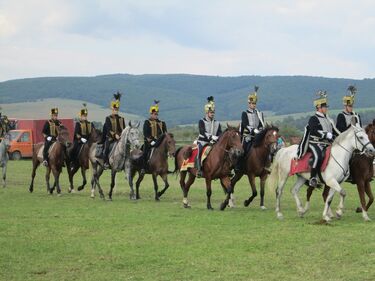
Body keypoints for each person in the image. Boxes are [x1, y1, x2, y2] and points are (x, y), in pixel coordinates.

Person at [297, 91, 339, 188]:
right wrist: (326, 135)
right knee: (318, 156)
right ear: (319, 107)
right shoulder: (313, 118)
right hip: (314, 142)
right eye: (324, 107)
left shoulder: (328, 119)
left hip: (326, 143)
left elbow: (334, 131)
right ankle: (312, 178)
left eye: (326, 107)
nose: (326, 109)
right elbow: (314, 131)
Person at [235, 86, 265, 172]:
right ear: (249, 104)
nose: (253, 105)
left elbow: (261, 124)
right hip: (248, 136)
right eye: (252, 103)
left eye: (255, 104)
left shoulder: (259, 113)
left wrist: (259, 130)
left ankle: (266, 165)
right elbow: (245, 124)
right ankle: (238, 166)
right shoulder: (244, 113)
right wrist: (253, 130)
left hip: (257, 136)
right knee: (243, 150)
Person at [196, 96, 222, 177]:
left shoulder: (217, 123)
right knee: (199, 152)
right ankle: (199, 169)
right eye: (211, 112)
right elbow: (202, 132)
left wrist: (218, 138)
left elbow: (219, 133)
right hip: (203, 141)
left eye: (213, 112)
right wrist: (211, 137)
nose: (212, 114)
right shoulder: (201, 121)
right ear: (207, 113)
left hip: (214, 142)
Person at [141, 100, 167, 174]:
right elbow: (145, 133)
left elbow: (165, 133)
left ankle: (165, 167)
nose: (155, 115)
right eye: (154, 114)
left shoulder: (162, 123)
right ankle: (143, 167)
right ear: (151, 114)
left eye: (156, 114)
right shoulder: (147, 122)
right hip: (150, 142)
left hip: (160, 142)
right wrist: (151, 141)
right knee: (145, 152)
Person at [101, 92, 125, 169]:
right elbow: (108, 129)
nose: (116, 110)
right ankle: (106, 162)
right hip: (111, 138)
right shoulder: (108, 118)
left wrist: (121, 135)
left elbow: (123, 129)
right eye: (114, 109)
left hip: (120, 138)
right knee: (106, 148)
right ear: (112, 109)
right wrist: (115, 135)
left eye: (117, 109)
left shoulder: (121, 119)